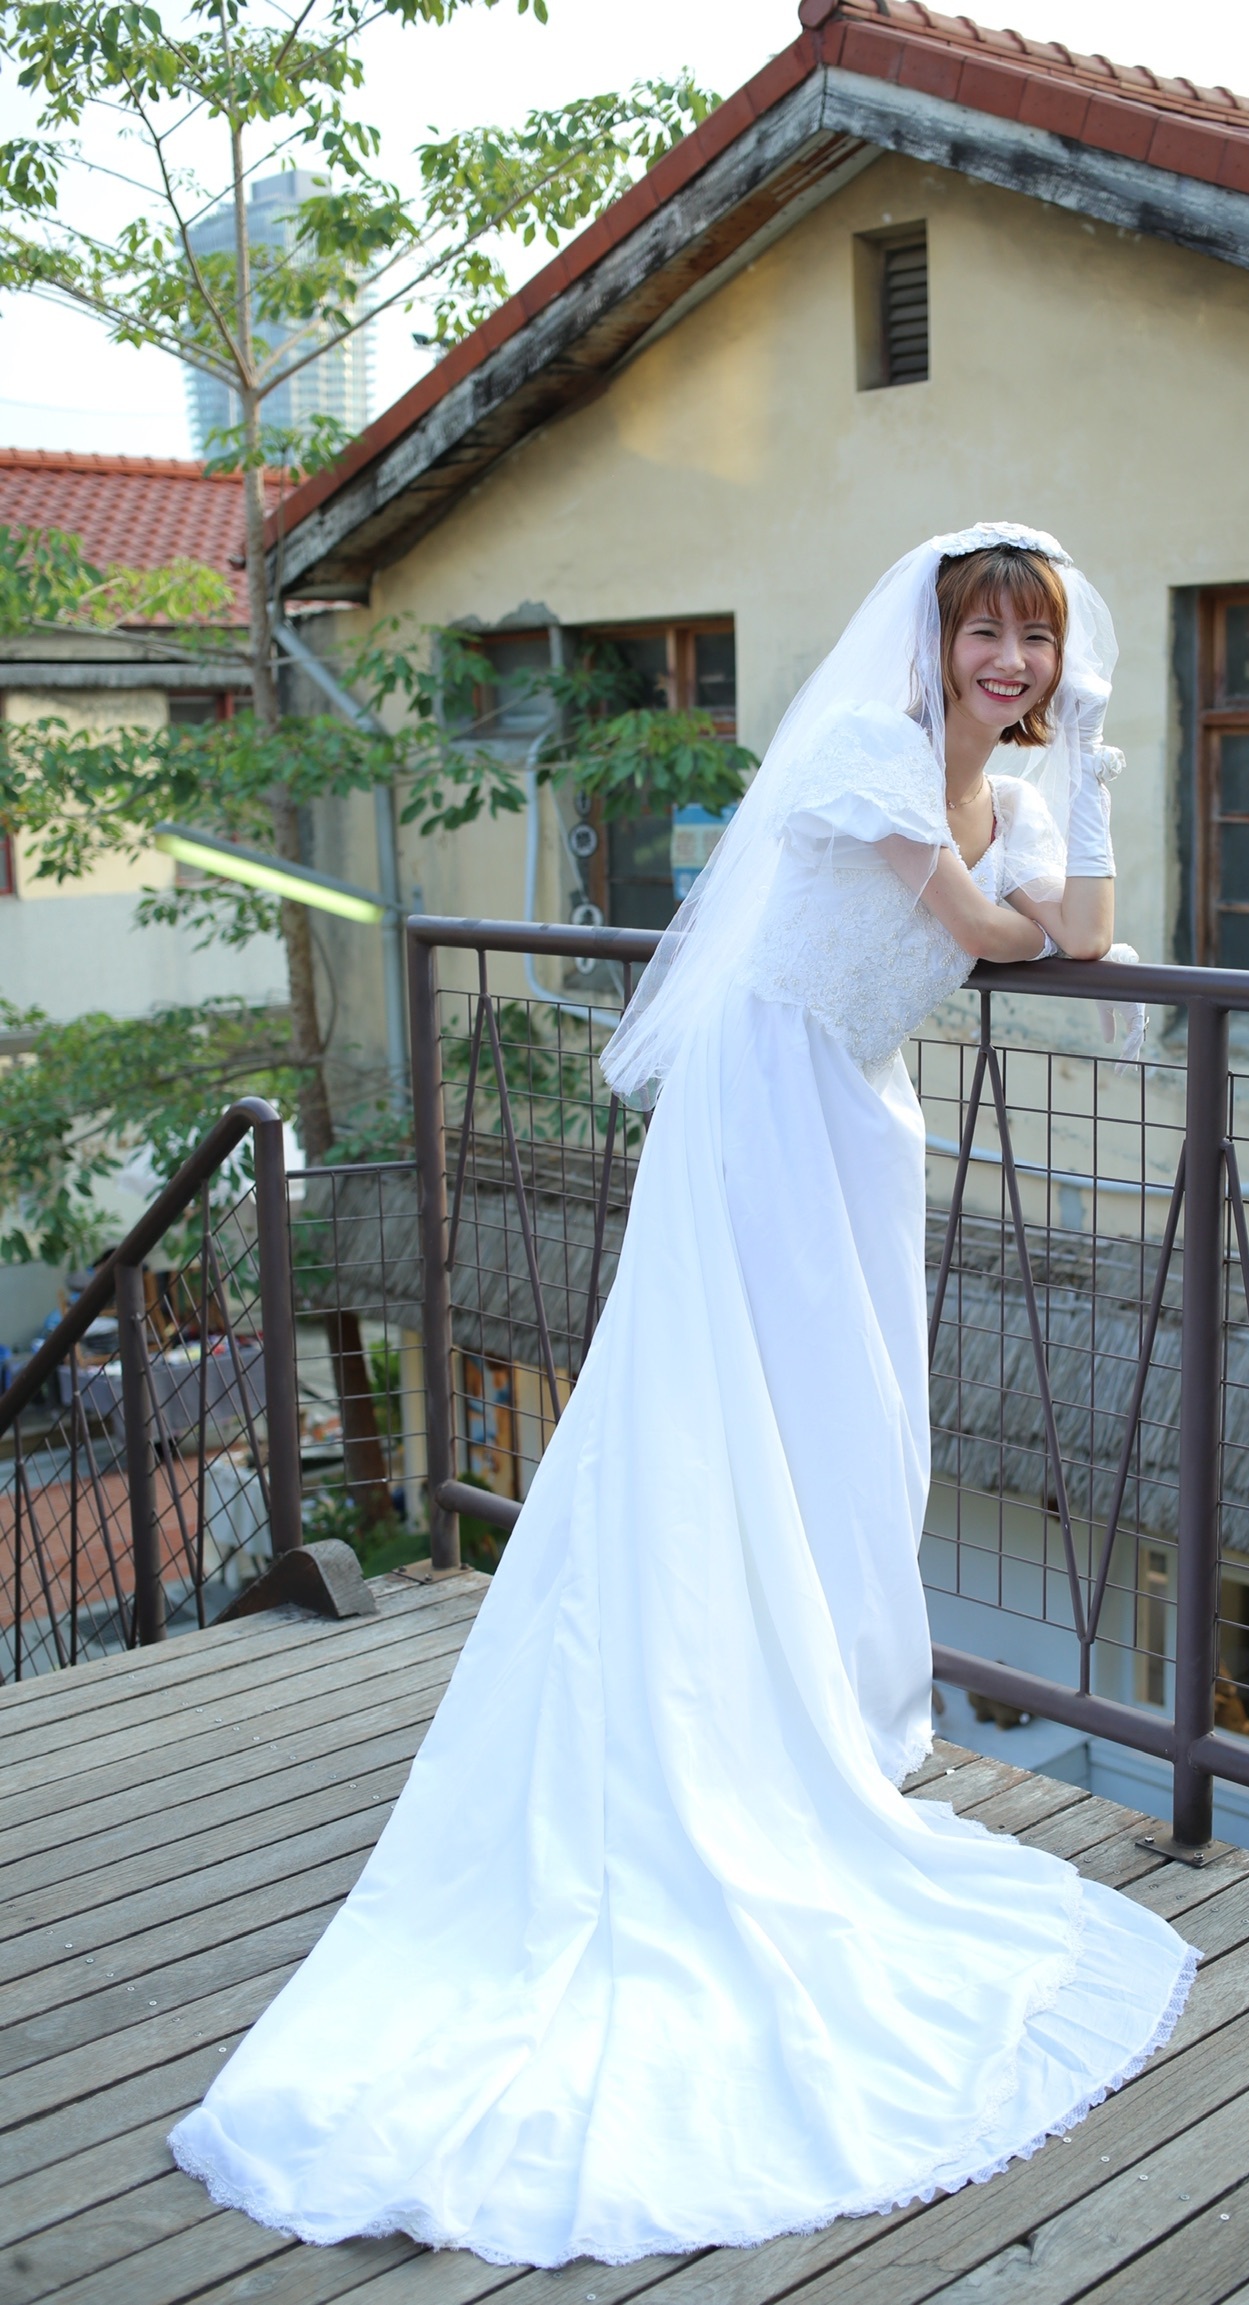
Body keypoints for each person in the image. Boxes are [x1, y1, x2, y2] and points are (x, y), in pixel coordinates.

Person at [170, 522, 1196, 2269]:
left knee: (842, 1427)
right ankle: (719, 1729)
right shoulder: (876, 755)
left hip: (859, 1110)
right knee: (734, 1409)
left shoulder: (1020, 784)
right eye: (989, 635)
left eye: (1036, 640)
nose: (1009, 662)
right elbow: (983, 934)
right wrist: (1027, 848)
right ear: (935, 643)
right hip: (760, 1093)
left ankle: (802, 1708)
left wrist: (1087, 748)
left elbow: (1081, 935)